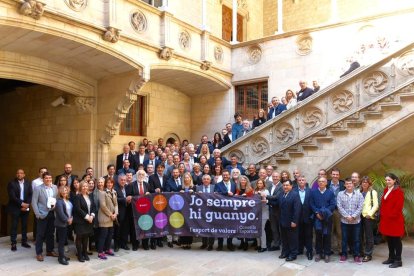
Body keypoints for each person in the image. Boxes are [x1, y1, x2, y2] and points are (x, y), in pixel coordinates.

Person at [379, 173, 404, 268]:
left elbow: (398, 207)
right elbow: (384, 204)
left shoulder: (399, 191)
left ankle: (398, 260)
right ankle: (391, 257)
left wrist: (389, 216)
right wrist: (383, 215)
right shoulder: (386, 189)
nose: (387, 182)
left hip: (395, 220)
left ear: (394, 180)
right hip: (386, 220)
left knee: (396, 240)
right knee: (389, 240)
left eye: (389, 180)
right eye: (386, 180)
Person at [337, 178, 364, 264]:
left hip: (356, 222)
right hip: (344, 221)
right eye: (347, 184)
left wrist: (353, 216)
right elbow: (339, 206)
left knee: (356, 239)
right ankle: (344, 254)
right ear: (344, 185)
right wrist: (346, 216)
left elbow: (360, 206)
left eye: (350, 184)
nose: (349, 185)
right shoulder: (340, 194)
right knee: (344, 239)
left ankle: (356, 256)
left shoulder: (359, 194)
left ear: (353, 184)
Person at [32, 172, 58, 261]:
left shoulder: (54, 187)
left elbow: (56, 199)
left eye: (50, 178)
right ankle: (39, 253)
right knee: (40, 234)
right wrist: (37, 214)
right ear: (43, 179)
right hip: (42, 214)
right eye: (46, 178)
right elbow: (34, 202)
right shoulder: (38, 188)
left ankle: (49, 251)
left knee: (50, 234)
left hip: (52, 213)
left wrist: (55, 205)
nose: (48, 180)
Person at [310, 176, 336, 263]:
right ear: (318, 183)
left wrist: (325, 212)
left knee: (327, 235)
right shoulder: (313, 192)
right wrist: (317, 213)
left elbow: (333, 205)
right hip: (317, 218)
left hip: (327, 218)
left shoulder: (330, 193)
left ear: (326, 183)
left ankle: (327, 253)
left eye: (323, 181)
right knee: (318, 235)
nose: (321, 183)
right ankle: (318, 253)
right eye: (319, 181)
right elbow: (311, 204)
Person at [7, 169, 32, 251]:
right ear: (16, 174)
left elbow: (30, 194)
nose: (19, 174)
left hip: (26, 207)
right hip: (15, 207)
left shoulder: (28, 183)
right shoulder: (12, 183)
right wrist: (22, 204)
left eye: (21, 173)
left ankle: (24, 241)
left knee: (24, 225)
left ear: (24, 174)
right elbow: (12, 196)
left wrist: (27, 204)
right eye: (17, 173)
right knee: (14, 225)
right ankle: (13, 243)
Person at [126, 170, 150, 250]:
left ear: (145, 176)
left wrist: (148, 194)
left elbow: (150, 198)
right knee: (134, 227)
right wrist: (130, 198)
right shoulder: (131, 185)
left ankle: (145, 244)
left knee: (145, 226)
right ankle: (135, 244)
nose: (141, 176)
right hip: (134, 211)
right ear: (136, 175)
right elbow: (128, 196)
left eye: (143, 174)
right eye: (139, 174)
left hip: (145, 211)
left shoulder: (147, 185)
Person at [278, 180, 301, 261]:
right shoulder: (281, 194)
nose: (285, 187)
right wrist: (266, 201)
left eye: (287, 185)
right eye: (284, 185)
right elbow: (278, 204)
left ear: (291, 186)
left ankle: (293, 254)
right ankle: (285, 252)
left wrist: (294, 221)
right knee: (284, 238)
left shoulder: (295, 195)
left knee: (292, 239)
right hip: (282, 221)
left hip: (291, 222)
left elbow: (297, 210)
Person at [73, 180, 95, 262]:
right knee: (79, 238)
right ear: (80, 187)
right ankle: (79, 255)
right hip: (80, 221)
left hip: (89, 221)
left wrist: (92, 216)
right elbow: (78, 209)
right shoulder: (77, 197)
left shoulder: (90, 196)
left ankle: (85, 253)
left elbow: (93, 207)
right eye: (83, 186)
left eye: (86, 186)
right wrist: (87, 217)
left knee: (86, 237)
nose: (85, 187)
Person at [214, 170, 236, 251]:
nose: (225, 176)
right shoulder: (218, 184)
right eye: (224, 175)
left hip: (231, 210)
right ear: (222, 176)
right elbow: (217, 194)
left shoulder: (233, 185)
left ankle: (229, 244)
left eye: (227, 175)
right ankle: (220, 245)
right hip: (221, 209)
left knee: (230, 227)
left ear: (229, 176)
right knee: (220, 227)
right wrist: (226, 193)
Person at [97, 178, 118, 260]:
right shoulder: (102, 193)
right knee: (103, 236)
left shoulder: (114, 192)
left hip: (112, 217)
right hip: (104, 217)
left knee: (110, 235)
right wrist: (111, 214)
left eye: (111, 183)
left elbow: (116, 204)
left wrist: (115, 214)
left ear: (113, 184)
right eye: (108, 183)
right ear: (106, 184)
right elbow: (103, 206)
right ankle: (100, 252)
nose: (109, 184)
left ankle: (107, 249)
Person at [360, 176, 378, 262]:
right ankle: (361, 252)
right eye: (363, 182)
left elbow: (376, 205)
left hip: (368, 217)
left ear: (369, 184)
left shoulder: (372, 192)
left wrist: (369, 214)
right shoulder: (358, 192)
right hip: (359, 216)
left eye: (366, 182)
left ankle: (368, 254)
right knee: (359, 235)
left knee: (369, 236)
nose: (364, 184)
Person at [295, 175, 313, 260]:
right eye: (299, 180)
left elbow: (313, 204)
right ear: (297, 181)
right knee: (299, 234)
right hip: (297, 217)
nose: (301, 181)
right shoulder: (294, 191)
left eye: (303, 180)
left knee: (308, 235)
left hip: (308, 217)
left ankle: (309, 251)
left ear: (305, 181)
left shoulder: (310, 191)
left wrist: (312, 216)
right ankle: (300, 249)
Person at [54, 186, 73, 265]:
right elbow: (61, 214)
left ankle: (62, 255)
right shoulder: (59, 201)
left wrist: (71, 218)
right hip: (61, 224)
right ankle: (60, 258)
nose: (65, 192)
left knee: (64, 241)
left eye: (66, 190)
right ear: (60, 192)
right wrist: (68, 220)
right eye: (63, 191)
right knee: (61, 242)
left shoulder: (67, 200)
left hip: (67, 224)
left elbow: (71, 211)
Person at [196, 174, 215, 251]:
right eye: (205, 179)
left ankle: (210, 244)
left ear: (210, 180)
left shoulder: (214, 187)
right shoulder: (198, 188)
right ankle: (204, 243)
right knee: (203, 227)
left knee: (211, 228)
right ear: (202, 180)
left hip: (212, 210)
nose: (206, 180)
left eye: (208, 179)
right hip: (202, 210)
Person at [328, 168, 345, 253]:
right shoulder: (327, 183)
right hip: (329, 210)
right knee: (329, 230)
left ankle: (341, 249)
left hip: (339, 210)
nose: (335, 176)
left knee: (339, 231)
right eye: (333, 174)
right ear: (331, 175)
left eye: (337, 174)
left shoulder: (342, 184)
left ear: (339, 175)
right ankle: (329, 248)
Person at [267, 172, 284, 251]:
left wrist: (266, 197)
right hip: (271, 210)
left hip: (279, 211)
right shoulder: (270, 186)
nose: (275, 178)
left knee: (281, 229)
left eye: (277, 176)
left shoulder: (281, 186)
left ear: (280, 177)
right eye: (273, 176)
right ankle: (276, 244)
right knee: (274, 229)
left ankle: (284, 245)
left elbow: (277, 198)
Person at [114, 174, 130, 252]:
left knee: (125, 229)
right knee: (118, 229)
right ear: (118, 180)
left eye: (124, 180)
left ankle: (124, 244)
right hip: (119, 212)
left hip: (127, 212)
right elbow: (115, 199)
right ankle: (116, 245)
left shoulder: (127, 187)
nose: (123, 181)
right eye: (121, 180)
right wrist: (125, 199)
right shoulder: (115, 188)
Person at [31, 167, 48, 242]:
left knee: (45, 223)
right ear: (39, 173)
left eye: (45, 172)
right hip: (38, 206)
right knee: (37, 222)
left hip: (46, 206)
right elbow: (33, 194)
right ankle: (35, 237)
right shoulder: (35, 182)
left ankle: (44, 237)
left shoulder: (49, 181)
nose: (43, 173)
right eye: (41, 172)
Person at [179, 172, 195, 249]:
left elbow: (198, 197)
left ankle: (189, 243)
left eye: (188, 177)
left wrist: (193, 193)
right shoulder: (180, 187)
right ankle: (183, 243)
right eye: (185, 177)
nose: (186, 179)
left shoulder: (194, 187)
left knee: (190, 225)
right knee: (183, 225)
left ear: (190, 179)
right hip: (182, 209)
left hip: (191, 210)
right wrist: (179, 193)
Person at [255, 179, 270, 252]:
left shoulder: (266, 191)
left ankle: (264, 246)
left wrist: (261, 194)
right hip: (256, 212)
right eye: (258, 183)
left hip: (264, 212)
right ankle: (258, 245)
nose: (259, 185)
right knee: (257, 229)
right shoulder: (255, 191)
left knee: (262, 229)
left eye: (261, 183)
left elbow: (267, 200)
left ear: (263, 184)